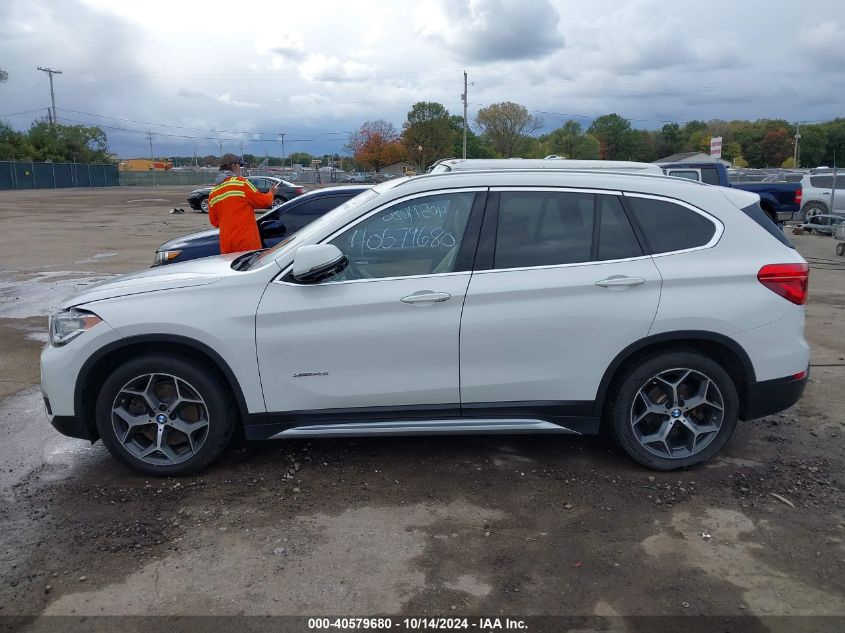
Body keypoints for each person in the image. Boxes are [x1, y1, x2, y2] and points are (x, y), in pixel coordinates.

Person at [208, 154, 278, 254]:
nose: (240, 169)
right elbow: (264, 202)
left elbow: (214, 222)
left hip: (226, 244)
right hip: (246, 242)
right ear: (234, 166)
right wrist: (271, 193)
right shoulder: (240, 183)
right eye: (240, 166)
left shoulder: (213, 193)